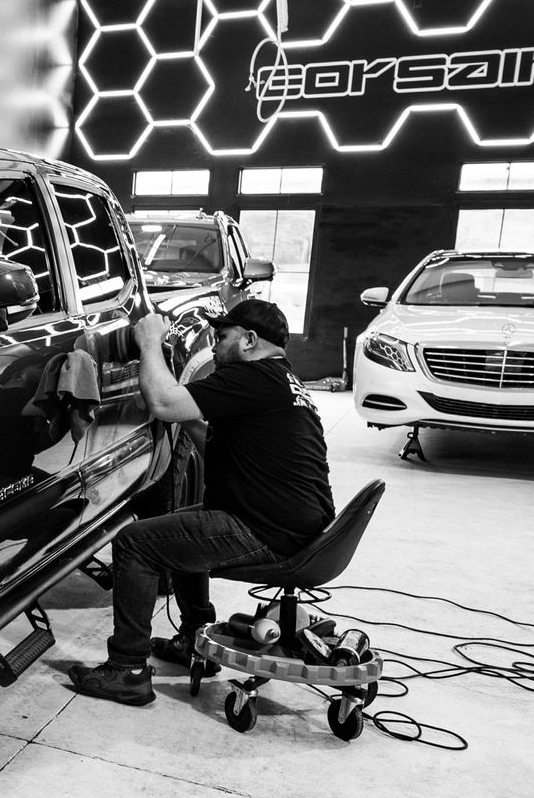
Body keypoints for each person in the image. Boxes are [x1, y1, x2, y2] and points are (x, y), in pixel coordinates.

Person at [68, 297, 334, 705]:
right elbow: (220, 448)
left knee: (135, 542)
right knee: (178, 532)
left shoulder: (251, 378)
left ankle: (128, 670)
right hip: (293, 523)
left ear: (248, 340)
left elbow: (162, 402)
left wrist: (150, 344)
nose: (213, 347)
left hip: (267, 528)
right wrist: (188, 416)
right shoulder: (280, 381)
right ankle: (194, 641)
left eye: (221, 337)